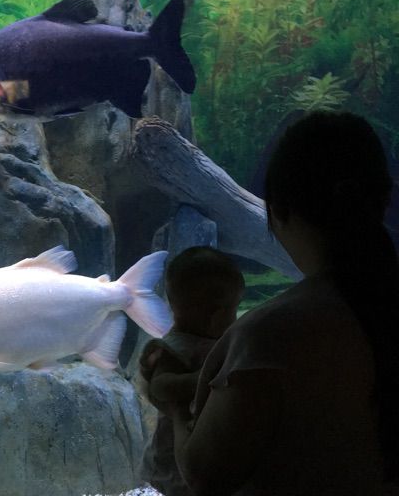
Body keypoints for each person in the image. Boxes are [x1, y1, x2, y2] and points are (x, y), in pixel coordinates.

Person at [167, 110, 399, 495]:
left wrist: (175, 405)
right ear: (383, 200)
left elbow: (204, 475)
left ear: (276, 211)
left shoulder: (269, 335)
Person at [139, 246, 245, 496]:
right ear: (215, 314)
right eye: (233, 308)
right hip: (175, 457)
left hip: (201, 443)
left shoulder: (211, 342)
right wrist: (201, 379)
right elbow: (160, 386)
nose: (235, 317)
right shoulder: (175, 347)